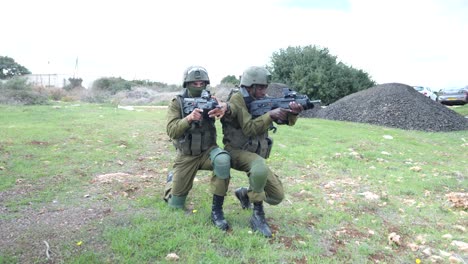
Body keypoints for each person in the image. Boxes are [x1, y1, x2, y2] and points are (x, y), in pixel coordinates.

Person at [221, 66, 304, 237]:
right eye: (259, 87)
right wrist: (270, 115)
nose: (263, 91)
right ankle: (257, 216)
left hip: (255, 155)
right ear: (248, 86)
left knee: (277, 196)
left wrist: (292, 114)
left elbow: (286, 121)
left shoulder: (263, 99)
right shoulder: (237, 99)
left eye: (265, 87)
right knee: (259, 165)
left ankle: (244, 193)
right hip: (235, 152)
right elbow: (249, 128)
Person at [164, 65, 231, 231]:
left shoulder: (212, 100)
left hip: (208, 151)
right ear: (187, 83)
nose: (199, 85)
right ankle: (171, 183)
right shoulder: (177, 103)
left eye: (202, 83)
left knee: (223, 160)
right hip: (186, 155)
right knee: (175, 205)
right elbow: (171, 130)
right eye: (195, 83)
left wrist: (223, 110)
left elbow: (229, 120)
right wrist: (189, 118)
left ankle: (217, 211)